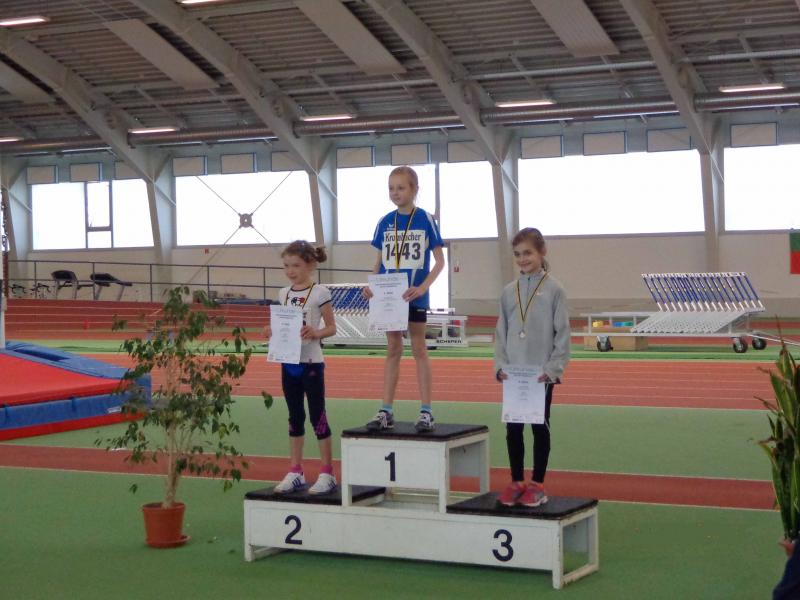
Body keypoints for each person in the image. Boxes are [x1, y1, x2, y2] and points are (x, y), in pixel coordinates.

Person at [363, 166, 445, 432]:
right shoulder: (384, 222)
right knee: (393, 350)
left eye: (401, 187)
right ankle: (386, 410)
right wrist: (372, 286)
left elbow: (440, 262)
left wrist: (422, 288)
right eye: (391, 188)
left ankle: (426, 411)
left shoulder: (425, 219)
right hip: (389, 297)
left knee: (419, 349)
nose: (395, 192)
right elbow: (378, 263)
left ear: (414, 189)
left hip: (414, 296)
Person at [493, 227, 571, 507]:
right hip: (514, 375)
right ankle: (516, 481)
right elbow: (501, 333)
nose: (522, 259)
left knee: (540, 427)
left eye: (528, 253)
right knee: (513, 429)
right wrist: (500, 366)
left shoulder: (555, 290)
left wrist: (553, 369)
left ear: (542, 252)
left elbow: (562, 334)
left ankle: (537, 484)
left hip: (540, 376)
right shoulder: (508, 292)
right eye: (517, 254)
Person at [266, 240, 338, 495]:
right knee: (295, 417)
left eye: (296, 265)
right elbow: (284, 325)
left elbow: (332, 327)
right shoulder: (283, 293)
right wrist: (272, 331)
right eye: (286, 266)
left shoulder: (320, 293)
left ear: (310, 265)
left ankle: (327, 473)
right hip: (289, 363)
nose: (290, 271)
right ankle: (295, 470)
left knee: (318, 416)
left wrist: (316, 332)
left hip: (311, 363)